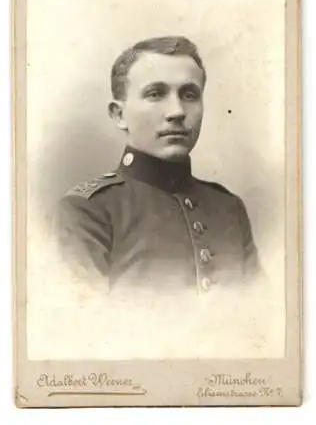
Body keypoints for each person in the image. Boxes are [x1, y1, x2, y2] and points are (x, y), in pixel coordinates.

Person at [54, 36, 260, 296]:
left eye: (189, 94)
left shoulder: (229, 209)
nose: (177, 111)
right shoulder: (89, 210)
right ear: (119, 114)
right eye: (155, 94)